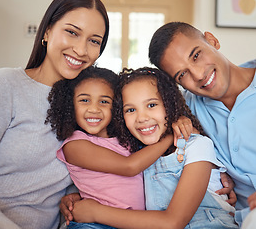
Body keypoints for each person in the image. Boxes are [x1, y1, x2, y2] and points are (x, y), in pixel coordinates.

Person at [0, 0, 109, 229]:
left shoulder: (89, 106)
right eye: (72, 32)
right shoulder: (5, 84)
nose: (82, 50)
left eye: (94, 41)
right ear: (47, 31)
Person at [148, 21, 256, 227]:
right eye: (182, 74)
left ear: (212, 40)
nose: (197, 75)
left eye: (196, 55)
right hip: (242, 219)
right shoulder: (186, 108)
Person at [71, 67, 238, 229]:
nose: (141, 118)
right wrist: (76, 198)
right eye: (130, 110)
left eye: (151, 105)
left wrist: (97, 213)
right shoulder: (140, 153)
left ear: (170, 105)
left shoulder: (197, 145)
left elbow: (172, 223)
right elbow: (119, 186)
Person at [46, 66, 174, 229]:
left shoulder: (128, 139)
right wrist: (170, 135)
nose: (94, 109)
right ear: (70, 105)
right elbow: (129, 167)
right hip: (95, 224)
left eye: (104, 101)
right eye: (84, 100)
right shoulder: (75, 144)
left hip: (133, 221)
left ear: (117, 107)